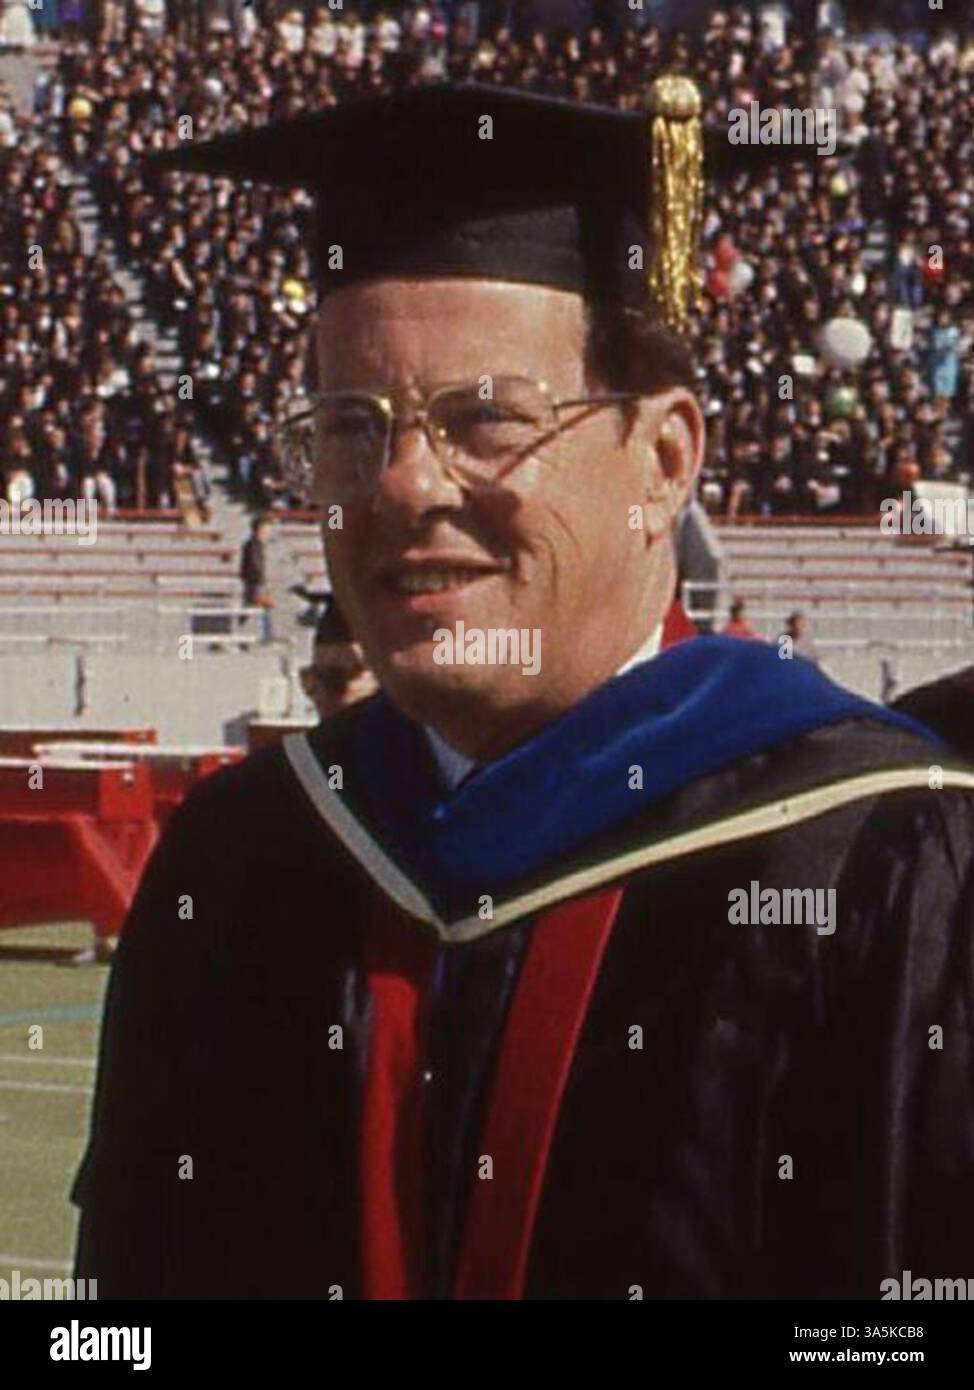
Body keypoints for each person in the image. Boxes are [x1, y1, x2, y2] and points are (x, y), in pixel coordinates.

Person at [73, 83, 974, 1301]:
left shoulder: (873, 863)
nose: (401, 487)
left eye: (484, 420)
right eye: (350, 424)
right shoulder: (244, 862)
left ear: (661, 461)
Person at [299, 596, 379, 720]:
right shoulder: (302, 739)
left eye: (336, 677)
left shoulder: (411, 737)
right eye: (310, 678)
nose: (322, 692)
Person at [239, 512, 274, 642]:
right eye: (266, 529)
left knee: (253, 608)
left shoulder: (256, 544)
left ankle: (262, 635)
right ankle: (258, 636)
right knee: (253, 607)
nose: (267, 532)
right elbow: (254, 563)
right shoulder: (254, 544)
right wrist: (261, 580)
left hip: (254, 581)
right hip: (254, 582)